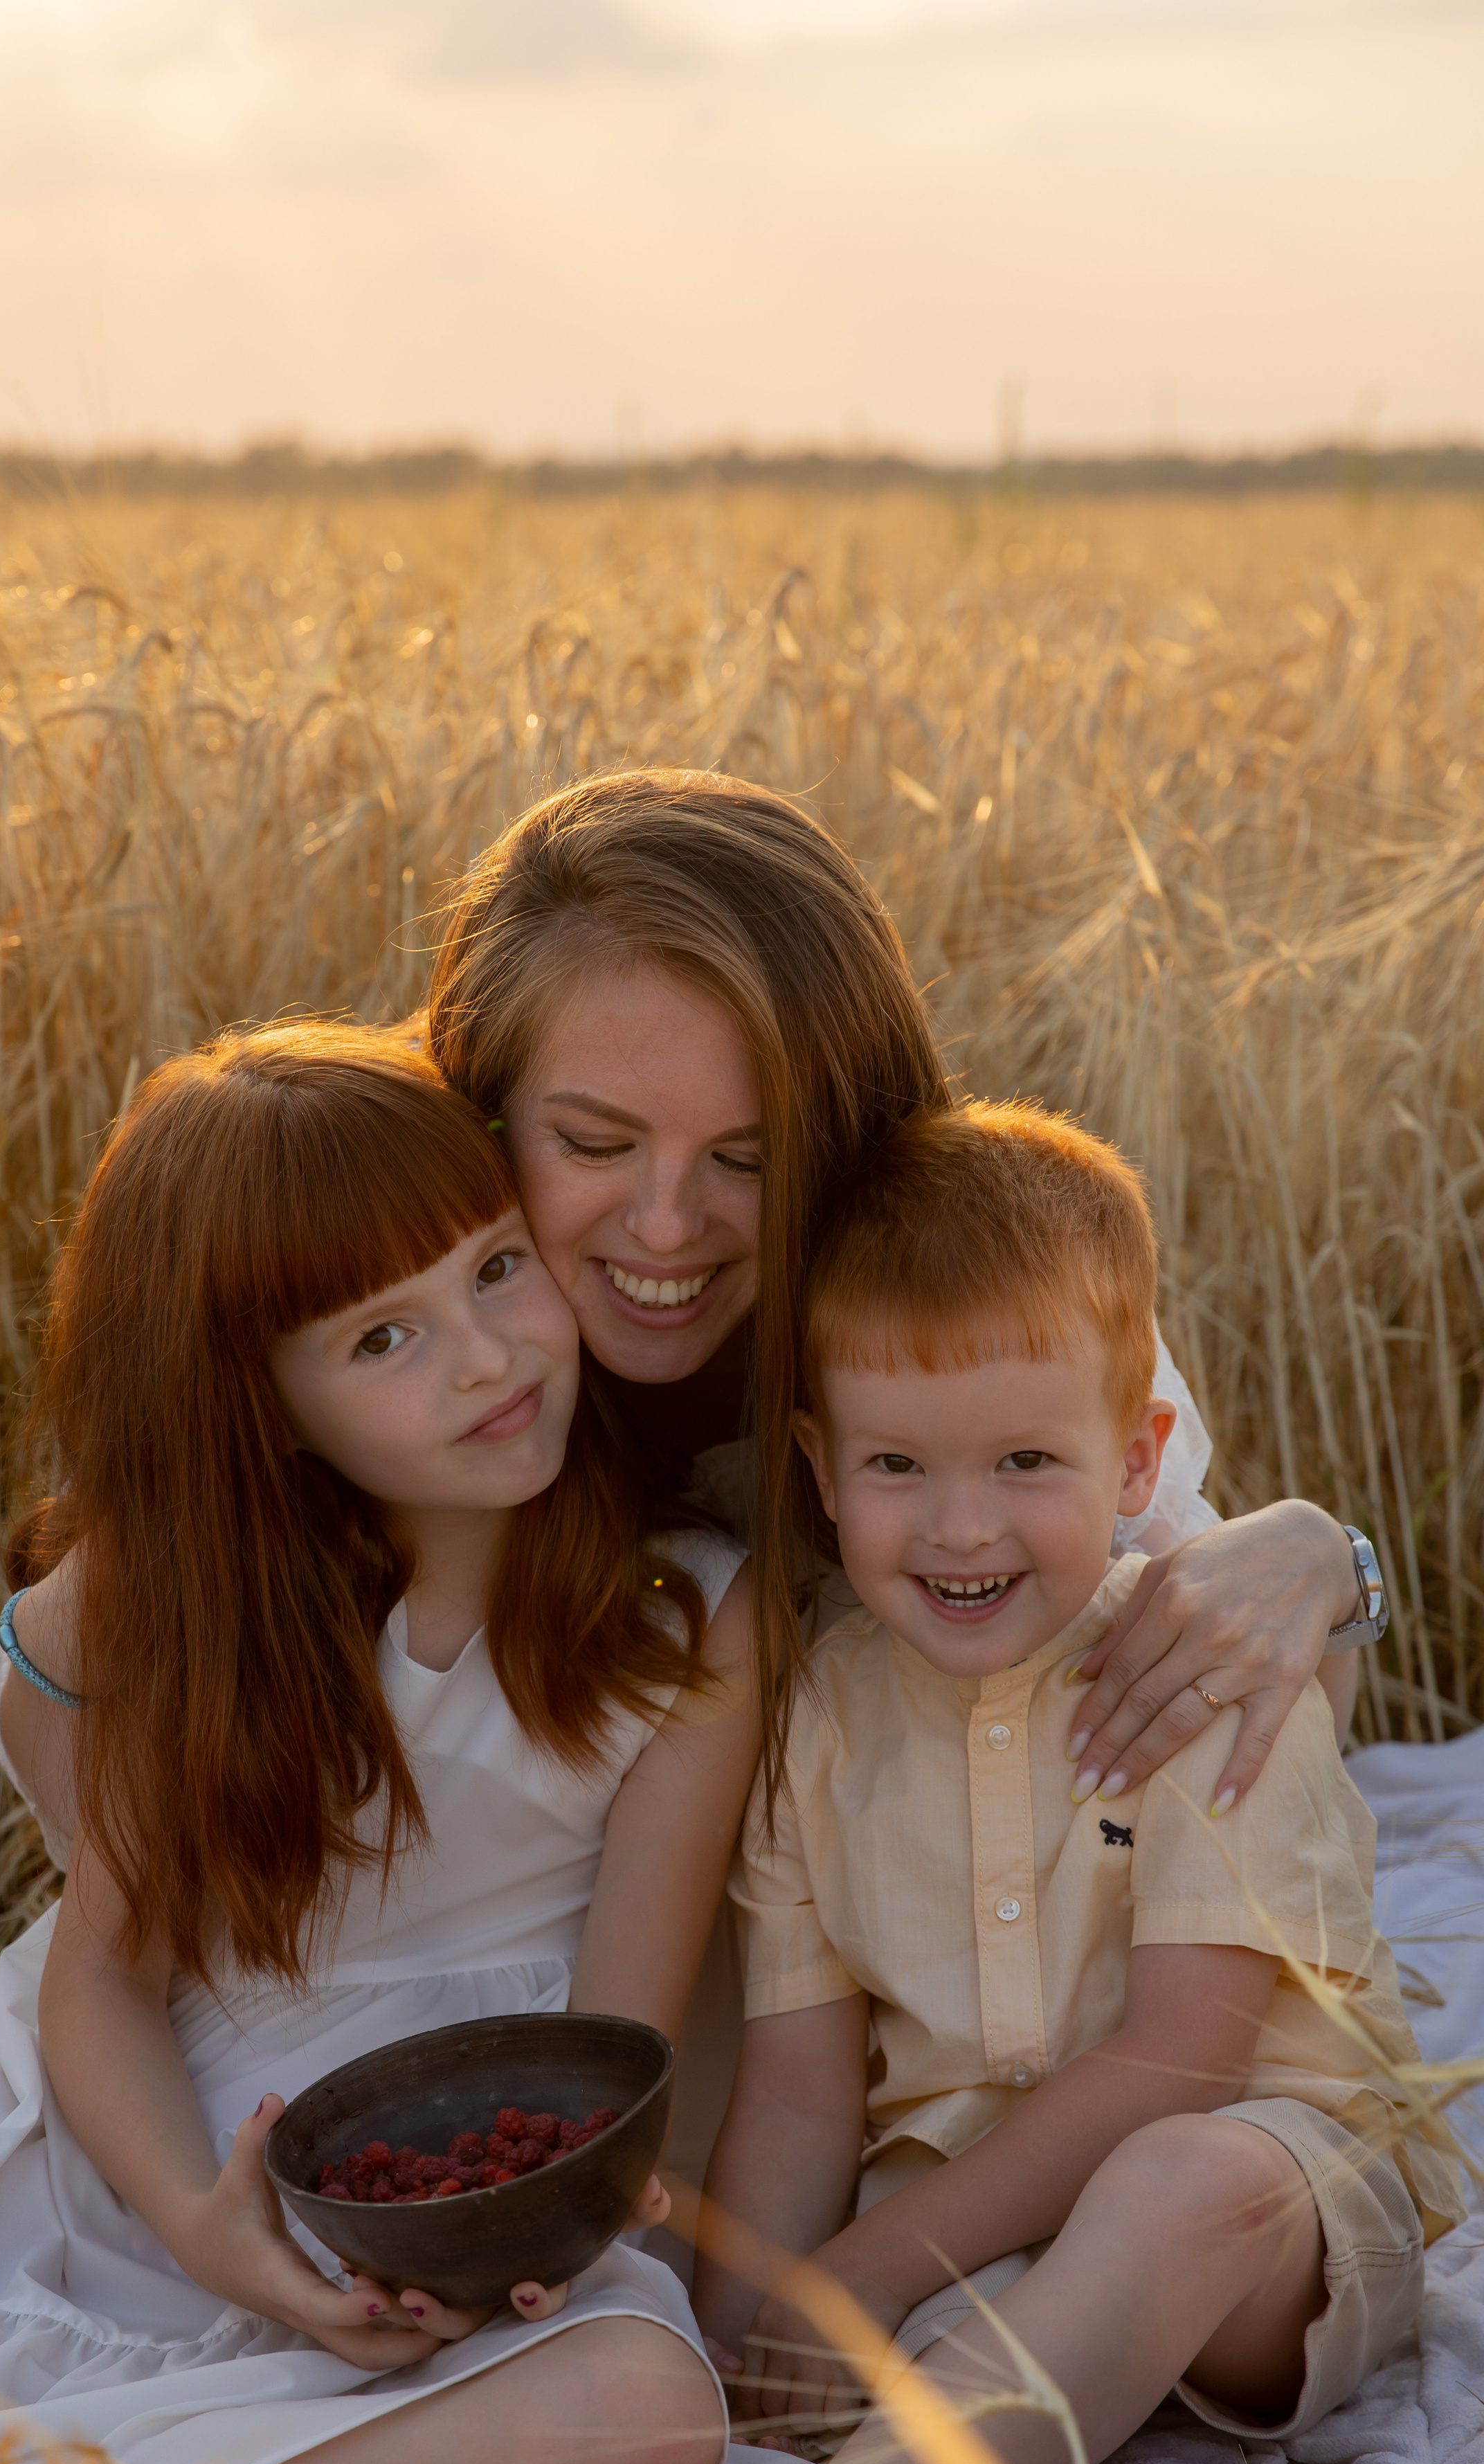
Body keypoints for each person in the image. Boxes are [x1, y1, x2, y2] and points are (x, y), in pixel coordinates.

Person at [0, 1025, 766, 2464]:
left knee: (642, 2421)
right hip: (137, 2163)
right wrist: (217, 2241)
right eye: (381, 1340)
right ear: (261, 1402)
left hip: (456, 2197)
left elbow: (613, 2041)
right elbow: (107, 1980)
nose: (485, 1358)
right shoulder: (172, 1613)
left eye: (495, 1270)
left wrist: (548, 2215)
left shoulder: (684, 1614)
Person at [689, 1101, 1460, 2464]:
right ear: (818, 1468)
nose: (960, 1524)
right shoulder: (813, 1719)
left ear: (1137, 1455)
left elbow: (1183, 2064)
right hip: (976, 2264)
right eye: (897, 1463)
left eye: (1025, 1460)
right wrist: (746, 2332)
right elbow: (795, 2087)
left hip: (1263, 2224)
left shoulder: (1199, 1671)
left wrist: (862, 2272)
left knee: (1180, 2181)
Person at [428, 766, 1379, 1813]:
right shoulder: (379, 1297)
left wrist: (1327, 1564)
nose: (665, 1226)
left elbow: (1238, 1717)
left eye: (749, 1160)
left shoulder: (986, 1299)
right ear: (482, 1110)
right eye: (595, 1142)